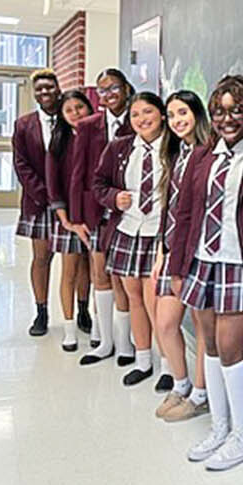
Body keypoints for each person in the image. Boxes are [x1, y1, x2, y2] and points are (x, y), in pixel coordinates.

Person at [168, 74, 243, 470]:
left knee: (231, 351)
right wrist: (177, 267)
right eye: (219, 112)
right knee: (210, 346)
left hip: (242, 265)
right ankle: (220, 428)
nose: (227, 119)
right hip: (202, 263)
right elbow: (185, 215)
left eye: (236, 110)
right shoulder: (202, 157)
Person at [52, 69, 142, 367]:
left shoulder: (139, 119)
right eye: (102, 91)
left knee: (123, 280)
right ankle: (105, 341)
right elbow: (78, 174)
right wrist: (77, 219)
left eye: (114, 87)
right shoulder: (89, 126)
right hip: (96, 212)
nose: (109, 94)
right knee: (99, 274)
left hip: (130, 210)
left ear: (126, 88)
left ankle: (125, 343)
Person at [93, 91, 167, 388]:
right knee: (134, 296)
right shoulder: (119, 147)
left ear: (161, 114)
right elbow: (98, 183)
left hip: (158, 233)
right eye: (135, 114)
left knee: (156, 302)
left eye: (148, 112)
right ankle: (143, 360)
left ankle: (168, 366)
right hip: (128, 229)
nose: (141, 119)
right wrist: (114, 197)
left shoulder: (175, 148)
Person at [150, 90, 216, 421]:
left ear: (197, 114)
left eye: (183, 113)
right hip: (172, 251)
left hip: (197, 252)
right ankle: (181, 384)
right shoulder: (176, 154)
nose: (177, 120)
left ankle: (201, 395)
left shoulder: (210, 153)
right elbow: (170, 207)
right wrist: (161, 250)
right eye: (172, 115)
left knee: (203, 328)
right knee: (165, 323)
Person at [10, 68, 61, 336]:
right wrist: (45, 195)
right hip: (39, 202)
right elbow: (21, 165)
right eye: (39, 89)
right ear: (34, 93)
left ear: (58, 88)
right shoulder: (23, 124)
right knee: (41, 258)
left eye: (49, 87)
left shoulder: (69, 118)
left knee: (77, 261)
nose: (45, 92)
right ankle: (41, 312)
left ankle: (82, 311)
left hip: (69, 202)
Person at [44, 89, 96, 352]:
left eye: (80, 107)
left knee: (91, 270)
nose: (76, 113)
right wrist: (66, 221)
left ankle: (85, 312)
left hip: (94, 216)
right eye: (69, 110)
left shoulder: (99, 137)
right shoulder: (59, 143)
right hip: (68, 218)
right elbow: (53, 185)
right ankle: (68, 328)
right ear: (62, 116)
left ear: (89, 107)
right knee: (69, 271)